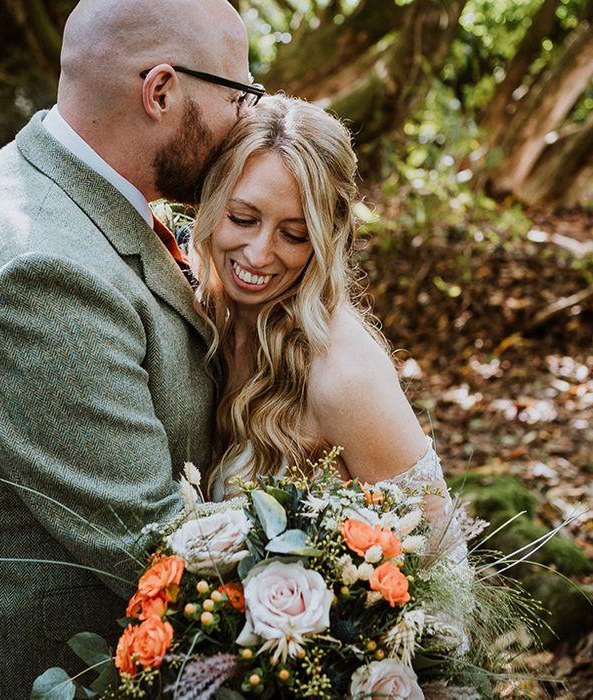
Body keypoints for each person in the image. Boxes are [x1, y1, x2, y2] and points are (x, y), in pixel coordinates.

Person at [0, 0, 257, 690]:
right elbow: (153, 548)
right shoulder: (45, 268)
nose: (248, 122)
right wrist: (346, 609)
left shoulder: (88, 200)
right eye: (238, 95)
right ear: (162, 90)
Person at [190, 95, 466, 564]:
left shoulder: (342, 375)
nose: (258, 254)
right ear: (211, 201)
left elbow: (442, 565)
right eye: (242, 218)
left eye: (293, 235)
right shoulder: (200, 313)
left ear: (326, 239)